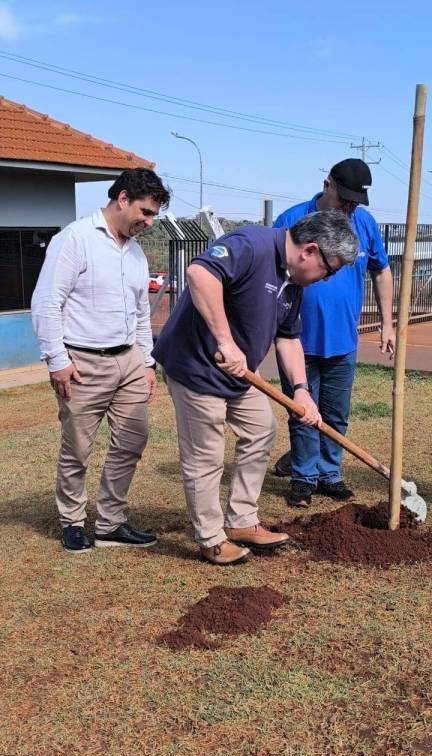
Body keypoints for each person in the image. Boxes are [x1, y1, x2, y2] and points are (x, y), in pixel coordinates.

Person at [153, 209, 358, 566]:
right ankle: (211, 538)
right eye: (330, 270)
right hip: (196, 366)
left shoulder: (294, 283)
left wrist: (301, 389)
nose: (327, 279)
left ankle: (242, 521)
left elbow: (288, 338)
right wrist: (225, 340)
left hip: (240, 373)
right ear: (310, 250)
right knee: (206, 455)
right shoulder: (251, 244)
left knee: (261, 429)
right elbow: (199, 274)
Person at [31, 168, 171, 553]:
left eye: (154, 215)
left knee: (132, 440)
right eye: (145, 212)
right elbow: (47, 302)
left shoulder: (135, 252)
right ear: (122, 199)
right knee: (77, 447)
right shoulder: (75, 239)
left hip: (129, 361)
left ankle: (111, 522)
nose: (149, 221)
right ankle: (73, 521)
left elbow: (141, 313)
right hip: (82, 364)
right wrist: (57, 360)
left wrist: (146, 363)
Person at [273, 159, 395, 507]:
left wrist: (387, 322)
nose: (349, 207)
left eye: (355, 202)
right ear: (327, 184)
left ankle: (330, 475)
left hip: (343, 341)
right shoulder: (293, 219)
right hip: (297, 340)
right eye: (344, 199)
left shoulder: (364, 223)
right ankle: (303, 478)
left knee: (336, 413)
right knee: (302, 411)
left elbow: (382, 271)